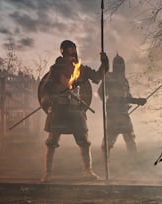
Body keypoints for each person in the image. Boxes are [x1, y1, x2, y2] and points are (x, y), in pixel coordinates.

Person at [39, 40, 109, 182]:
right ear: (63, 51)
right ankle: (47, 173)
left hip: (75, 109)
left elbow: (97, 77)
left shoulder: (80, 69)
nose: (71, 51)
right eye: (68, 48)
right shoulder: (56, 69)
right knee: (51, 142)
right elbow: (46, 88)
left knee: (84, 142)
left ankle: (88, 172)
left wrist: (105, 63)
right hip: (59, 109)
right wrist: (55, 92)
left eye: (73, 48)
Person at [98, 53, 146, 160]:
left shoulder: (125, 80)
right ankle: (105, 162)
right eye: (117, 65)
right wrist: (110, 103)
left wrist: (138, 101)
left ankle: (134, 162)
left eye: (121, 64)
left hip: (124, 114)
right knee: (108, 141)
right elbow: (101, 92)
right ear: (114, 65)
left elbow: (128, 96)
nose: (120, 67)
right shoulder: (108, 77)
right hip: (113, 115)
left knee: (130, 138)